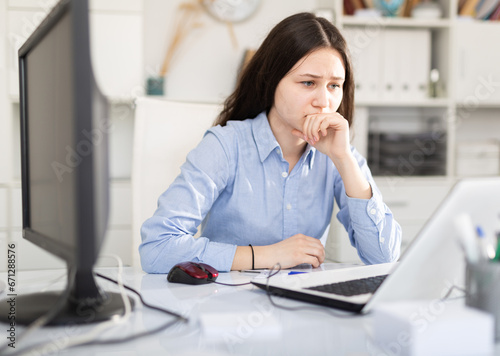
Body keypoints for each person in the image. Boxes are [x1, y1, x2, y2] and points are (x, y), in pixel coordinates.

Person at [139, 12, 401, 273]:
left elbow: (384, 258)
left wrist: (344, 159)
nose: (324, 102)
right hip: (225, 304)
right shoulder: (225, 146)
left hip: (304, 305)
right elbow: (157, 248)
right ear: (271, 81)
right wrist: (268, 255)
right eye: (308, 82)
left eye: (334, 86)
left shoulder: (338, 154)